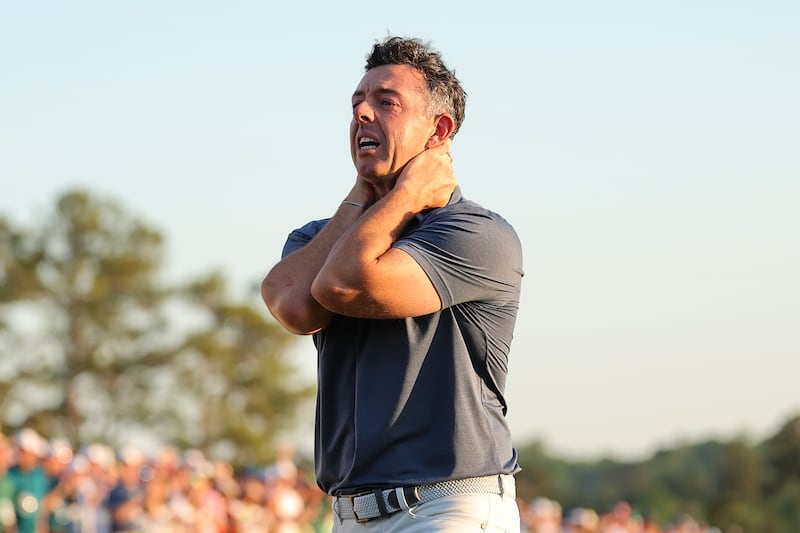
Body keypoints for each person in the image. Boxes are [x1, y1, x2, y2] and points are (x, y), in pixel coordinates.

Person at [261, 35, 524, 532]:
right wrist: (369, 193)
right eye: (357, 103)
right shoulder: (317, 238)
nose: (362, 113)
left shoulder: (475, 233)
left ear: (438, 130)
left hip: (446, 509)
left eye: (386, 103)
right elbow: (290, 305)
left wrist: (400, 196)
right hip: (349, 514)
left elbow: (342, 286)